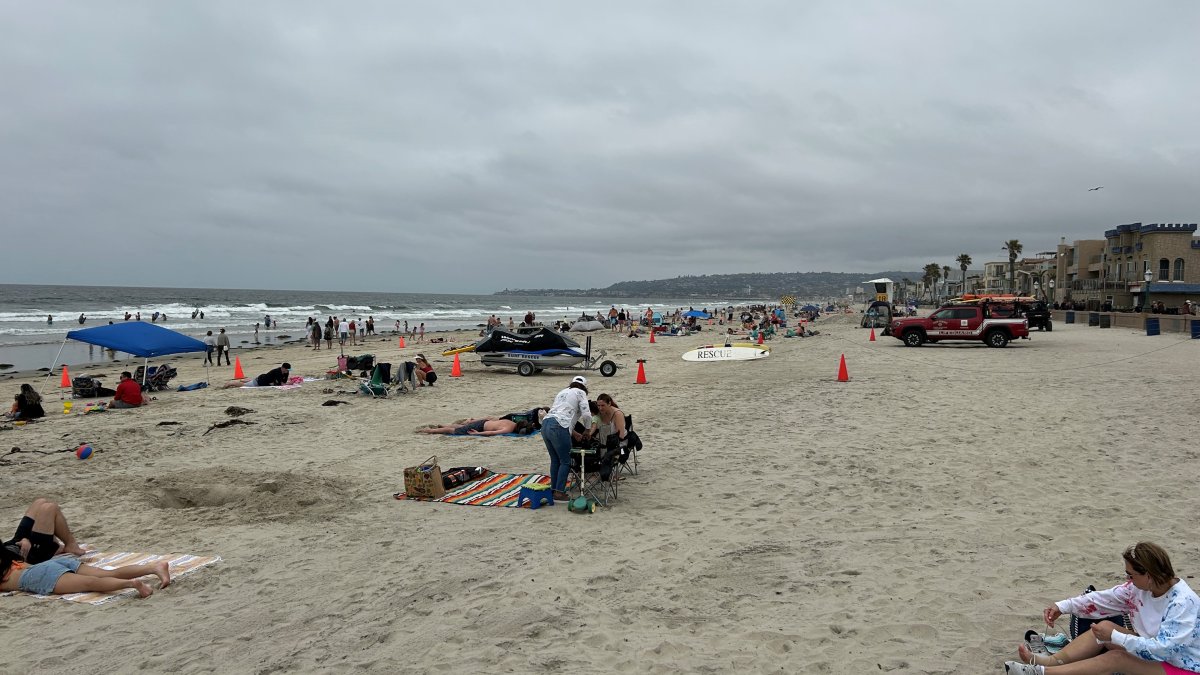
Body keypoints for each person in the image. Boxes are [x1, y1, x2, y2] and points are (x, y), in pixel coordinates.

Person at [1006, 542, 1200, 674]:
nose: (1128, 580)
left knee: (1116, 657)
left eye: (1131, 575)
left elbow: (1162, 650)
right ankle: (1048, 661)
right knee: (1103, 628)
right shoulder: (1139, 589)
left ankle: (1044, 673)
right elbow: (1103, 599)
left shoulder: (1182, 604)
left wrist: (1115, 637)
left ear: (1149, 575)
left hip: (1182, 666)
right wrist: (1062, 607)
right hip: (1153, 648)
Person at [2, 543, 170, 599]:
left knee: (92, 584)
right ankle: (154, 567)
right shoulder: (7, 556)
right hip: (50, 564)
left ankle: (131, 584)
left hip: (38, 576)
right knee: (108, 573)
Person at [542, 376, 593, 501]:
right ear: (584, 387)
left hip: (545, 423)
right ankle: (559, 492)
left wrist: (574, 433)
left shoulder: (562, 392)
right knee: (565, 461)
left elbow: (560, 414)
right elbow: (586, 414)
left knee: (555, 460)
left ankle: (554, 489)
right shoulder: (580, 393)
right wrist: (587, 429)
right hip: (559, 426)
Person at [4, 498, 87, 564]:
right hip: (25, 555)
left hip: (11, 546)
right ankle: (70, 545)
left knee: (40, 502)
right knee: (50, 508)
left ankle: (53, 545)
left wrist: (24, 540)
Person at [417, 418, 534, 436]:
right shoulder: (509, 429)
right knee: (453, 431)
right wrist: (477, 434)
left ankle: (442, 425)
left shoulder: (510, 422)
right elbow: (491, 433)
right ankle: (430, 431)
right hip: (481, 426)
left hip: (484, 422)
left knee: (463, 426)